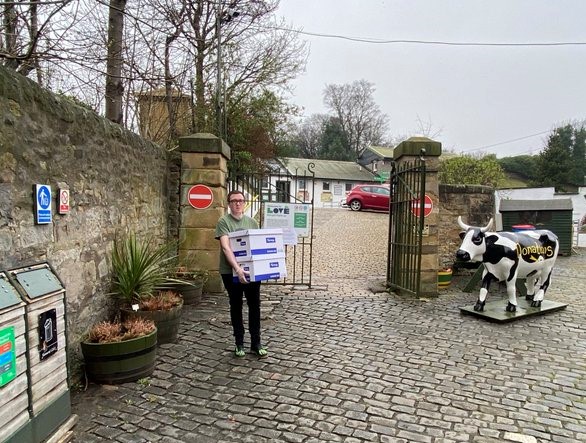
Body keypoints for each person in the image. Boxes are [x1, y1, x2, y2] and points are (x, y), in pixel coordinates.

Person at [215, 190, 268, 358]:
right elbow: (226, 247)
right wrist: (237, 269)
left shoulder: (252, 222)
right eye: (234, 201)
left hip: (252, 273)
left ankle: (256, 342)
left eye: (240, 200)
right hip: (230, 272)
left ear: (244, 203)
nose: (237, 203)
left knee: (254, 305)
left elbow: (258, 247)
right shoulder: (223, 222)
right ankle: (239, 342)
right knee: (236, 305)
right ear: (229, 204)